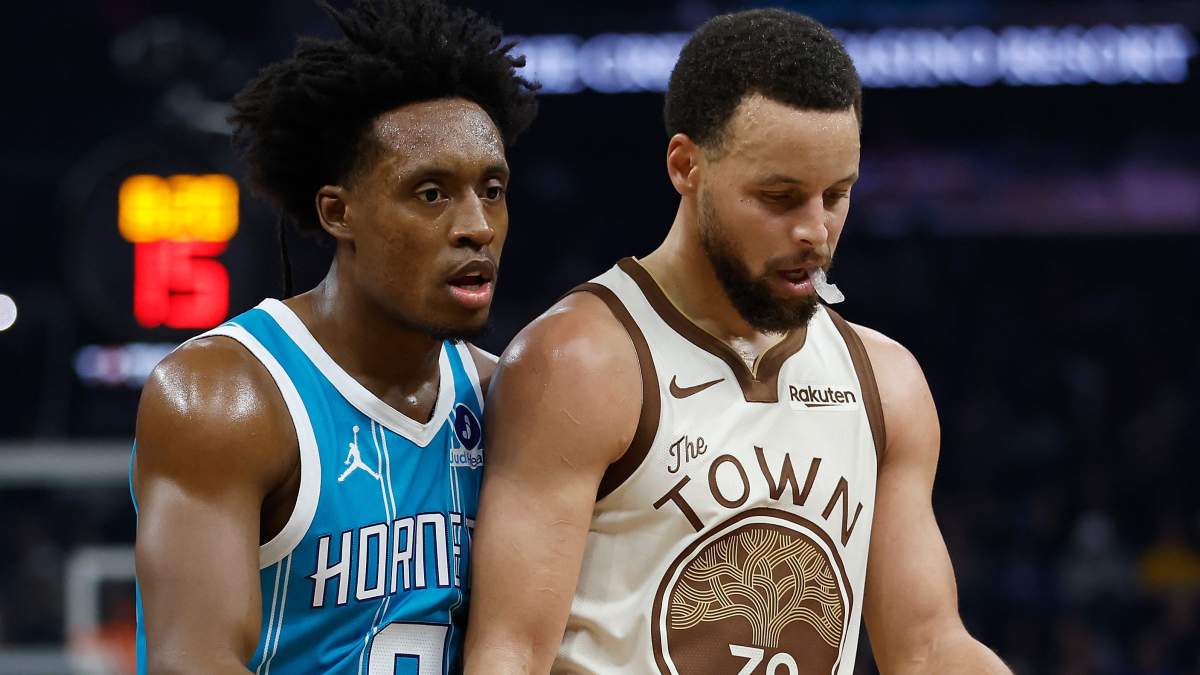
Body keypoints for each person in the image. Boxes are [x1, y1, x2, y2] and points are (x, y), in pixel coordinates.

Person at [465, 9, 1010, 674]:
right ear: (685, 165)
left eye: (836, 195)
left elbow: (927, 647)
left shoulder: (885, 381)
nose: (815, 231)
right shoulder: (578, 364)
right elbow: (510, 654)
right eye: (780, 197)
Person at [130, 1, 536, 672]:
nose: (478, 226)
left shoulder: (506, 400)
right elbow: (192, 662)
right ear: (338, 212)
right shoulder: (224, 398)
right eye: (431, 194)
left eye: (491, 190)